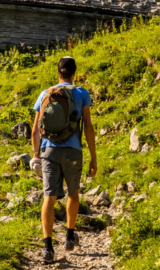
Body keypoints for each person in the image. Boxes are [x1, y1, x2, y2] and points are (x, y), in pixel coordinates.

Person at [31, 56, 97, 263]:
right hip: (73, 151)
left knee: (49, 197)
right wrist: (93, 158)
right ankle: (69, 236)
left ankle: (48, 248)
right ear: (74, 72)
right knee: (73, 193)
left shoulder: (45, 93)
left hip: (49, 151)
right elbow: (87, 125)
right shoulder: (81, 93)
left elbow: (35, 129)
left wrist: (36, 153)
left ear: (58, 72)